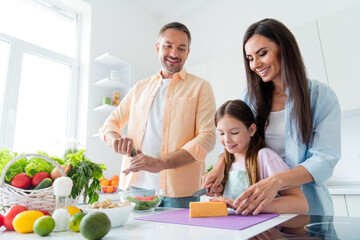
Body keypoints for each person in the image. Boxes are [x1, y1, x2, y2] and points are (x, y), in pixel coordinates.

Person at [202, 18, 340, 216]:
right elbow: (239, 140)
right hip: (263, 208)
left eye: (262, 54)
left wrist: (276, 181)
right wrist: (219, 167)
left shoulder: (320, 96)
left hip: (307, 205)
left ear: (284, 49)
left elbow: (325, 159)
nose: (255, 64)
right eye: (250, 58)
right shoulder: (250, 97)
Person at [99, 22, 216, 208]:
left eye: (181, 48)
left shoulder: (200, 87)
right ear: (157, 48)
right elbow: (110, 124)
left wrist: (161, 163)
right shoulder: (139, 88)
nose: (174, 54)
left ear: (187, 53)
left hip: (181, 193)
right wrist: (116, 140)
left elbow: (207, 137)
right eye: (168, 46)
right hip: (136, 188)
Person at [210, 100, 308, 214]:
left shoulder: (264, 157)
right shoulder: (224, 164)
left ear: (251, 130)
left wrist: (249, 206)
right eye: (221, 133)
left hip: (265, 231)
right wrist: (217, 193)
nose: (227, 140)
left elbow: (301, 204)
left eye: (234, 132)